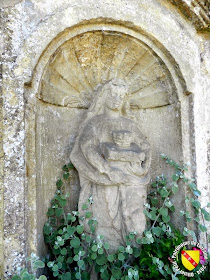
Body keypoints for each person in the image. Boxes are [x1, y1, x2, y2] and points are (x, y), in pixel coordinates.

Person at [70, 79, 151, 248]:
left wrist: (143, 167)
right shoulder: (96, 122)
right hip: (105, 181)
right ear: (104, 96)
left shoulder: (129, 124)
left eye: (120, 96)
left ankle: (133, 260)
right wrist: (108, 170)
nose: (116, 99)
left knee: (136, 221)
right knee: (106, 224)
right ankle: (106, 262)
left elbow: (145, 146)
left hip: (131, 181)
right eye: (113, 94)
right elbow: (86, 148)